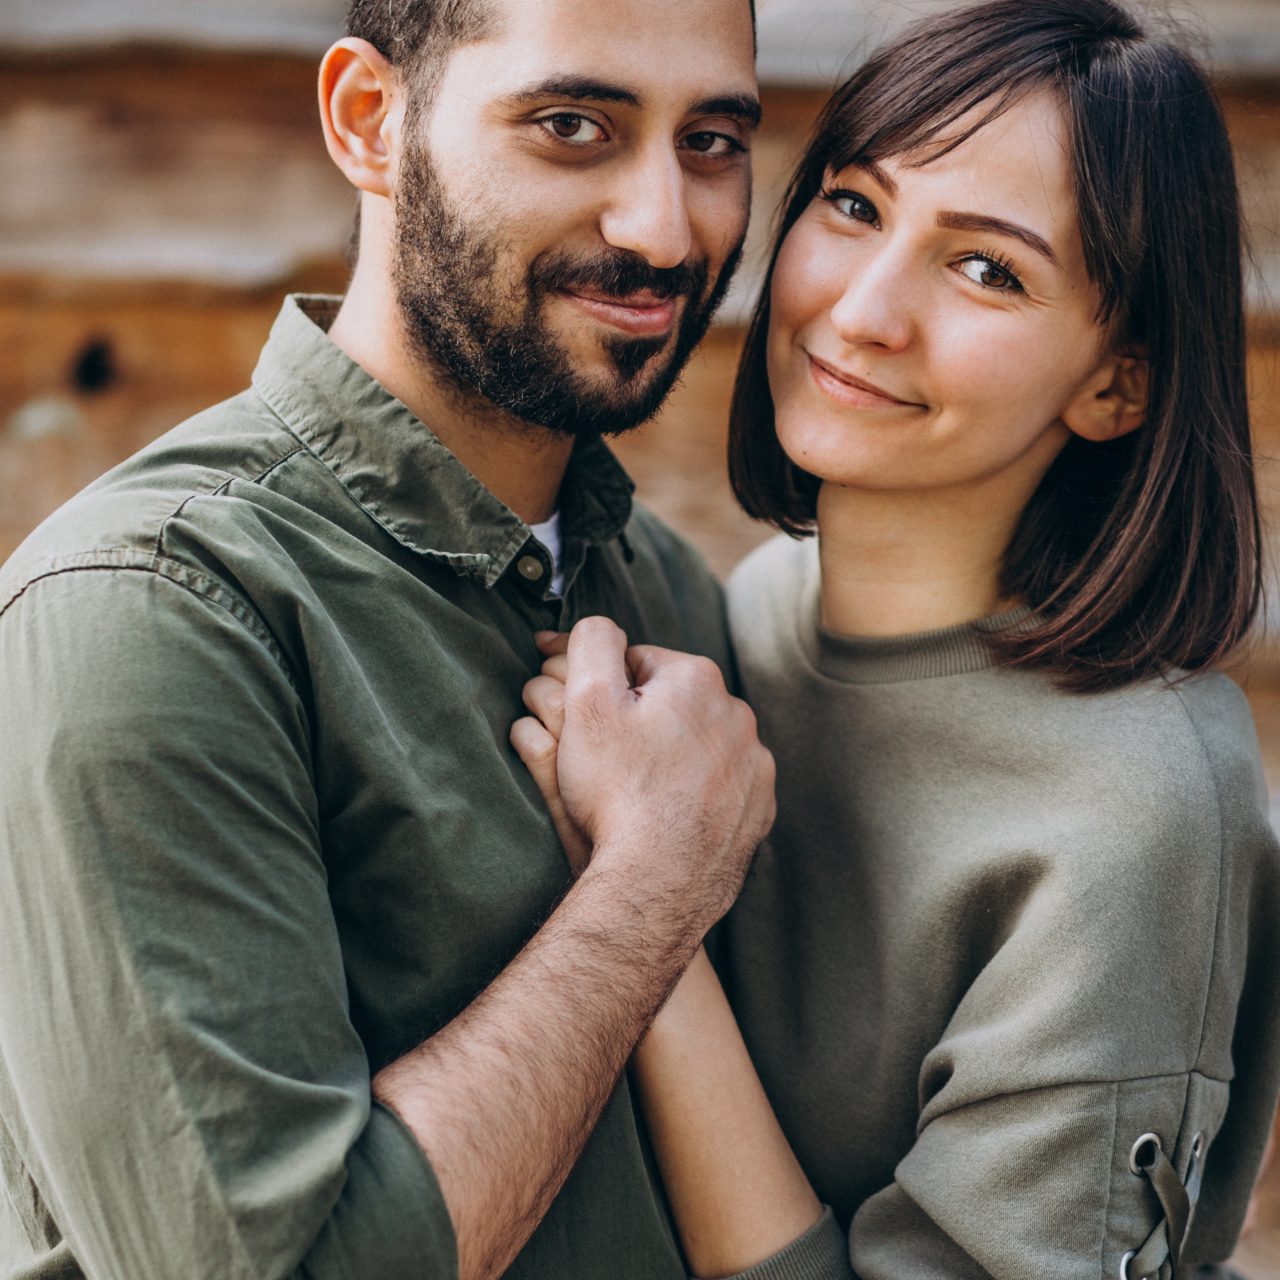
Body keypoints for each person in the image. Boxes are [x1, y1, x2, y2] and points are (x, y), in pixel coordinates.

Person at [0, 1, 779, 1278]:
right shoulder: (147, 609)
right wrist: (648, 890)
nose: (663, 227)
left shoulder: (668, 597)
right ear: (371, 119)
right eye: (572, 126)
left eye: (710, 141)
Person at [513, 1, 1280, 1276]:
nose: (863, 309)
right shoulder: (746, 610)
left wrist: (641, 896)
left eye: (986, 267)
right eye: (857, 207)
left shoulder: (1136, 804)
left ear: (1115, 380)